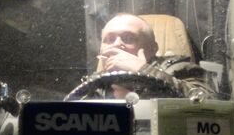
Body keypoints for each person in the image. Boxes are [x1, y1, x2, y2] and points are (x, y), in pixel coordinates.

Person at [84, 13, 217, 99]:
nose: (117, 44)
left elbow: (209, 104)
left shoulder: (178, 69)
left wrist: (144, 72)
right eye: (109, 39)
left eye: (129, 38)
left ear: (153, 49)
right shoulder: (95, 84)